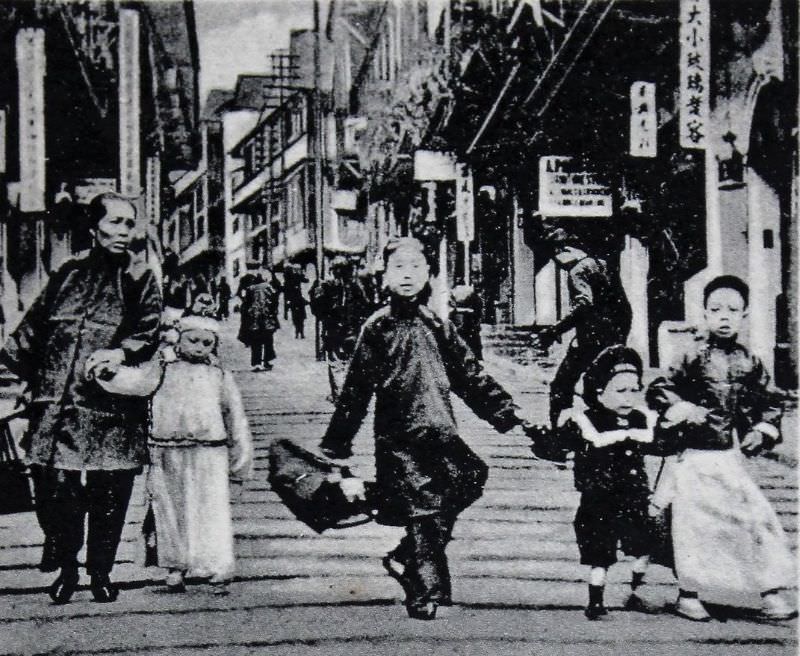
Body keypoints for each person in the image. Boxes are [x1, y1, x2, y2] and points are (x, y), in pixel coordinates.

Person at [319, 237, 529, 620]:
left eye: (416, 267)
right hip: (400, 438)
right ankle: (423, 591)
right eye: (398, 267)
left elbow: (470, 377)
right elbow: (355, 391)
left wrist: (509, 412)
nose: (407, 274)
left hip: (442, 433)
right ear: (383, 275)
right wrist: (337, 444)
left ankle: (405, 556)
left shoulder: (438, 325)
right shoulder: (377, 328)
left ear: (430, 275)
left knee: (470, 477)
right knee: (424, 509)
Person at [0, 191, 161, 604]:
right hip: (57, 403)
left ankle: (101, 571)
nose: (125, 232)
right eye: (116, 223)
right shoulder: (68, 272)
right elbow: (32, 329)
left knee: (111, 490)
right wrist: (21, 374)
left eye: (130, 223)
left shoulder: (139, 275)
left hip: (110, 404)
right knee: (56, 490)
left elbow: (148, 329)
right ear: (94, 227)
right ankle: (67, 566)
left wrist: (120, 351)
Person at [646, 275, 796, 621]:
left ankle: (770, 591)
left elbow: (770, 401)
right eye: (715, 310)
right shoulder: (691, 356)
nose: (724, 317)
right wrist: (682, 408)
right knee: (693, 527)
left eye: (732, 310)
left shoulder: (749, 361)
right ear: (704, 313)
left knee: (755, 518)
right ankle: (689, 593)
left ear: (744, 314)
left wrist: (762, 428)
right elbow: (659, 388)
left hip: (728, 457)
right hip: (693, 458)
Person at [144, 314, 253, 595]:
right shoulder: (161, 369)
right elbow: (136, 384)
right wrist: (110, 373)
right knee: (170, 510)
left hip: (210, 451)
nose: (200, 347)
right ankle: (175, 567)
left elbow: (236, 420)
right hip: (167, 449)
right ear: (178, 339)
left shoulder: (219, 375)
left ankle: (217, 567)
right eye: (193, 340)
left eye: (207, 343)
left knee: (211, 510)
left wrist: (239, 467)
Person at [558, 345, 659, 620]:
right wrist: (554, 436)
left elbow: (661, 444)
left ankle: (635, 588)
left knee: (645, 543)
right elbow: (559, 445)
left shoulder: (642, 420)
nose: (629, 398)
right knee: (600, 552)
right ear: (600, 392)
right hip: (598, 499)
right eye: (620, 391)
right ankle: (596, 600)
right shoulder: (588, 422)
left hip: (634, 496)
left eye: (634, 390)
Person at [533, 228, 632, 461]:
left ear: (563, 251)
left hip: (590, 340)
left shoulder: (578, 270)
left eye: (556, 258)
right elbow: (625, 309)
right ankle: (609, 440)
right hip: (612, 338)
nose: (558, 264)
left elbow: (583, 305)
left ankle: (559, 443)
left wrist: (554, 330)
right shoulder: (603, 264)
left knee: (561, 387)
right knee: (597, 388)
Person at [311, 257, 373, 402]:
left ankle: (339, 395)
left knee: (336, 363)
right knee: (351, 363)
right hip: (353, 330)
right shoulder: (356, 285)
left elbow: (317, 308)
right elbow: (366, 305)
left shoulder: (325, 285)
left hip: (333, 331)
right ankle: (350, 394)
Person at [238, 275, 279, 371]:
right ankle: (267, 361)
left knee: (256, 342)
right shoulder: (269, 288)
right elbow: (275, 301)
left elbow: (246, 305)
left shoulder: (250, 289)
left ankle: (256, 363)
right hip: (267, 319)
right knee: (268, 341)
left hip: (254, 320)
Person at [449, 283, 483, 360]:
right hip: (468, 326)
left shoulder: (476, 299)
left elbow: (478, 315)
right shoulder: (472, 298)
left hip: (470, 325)